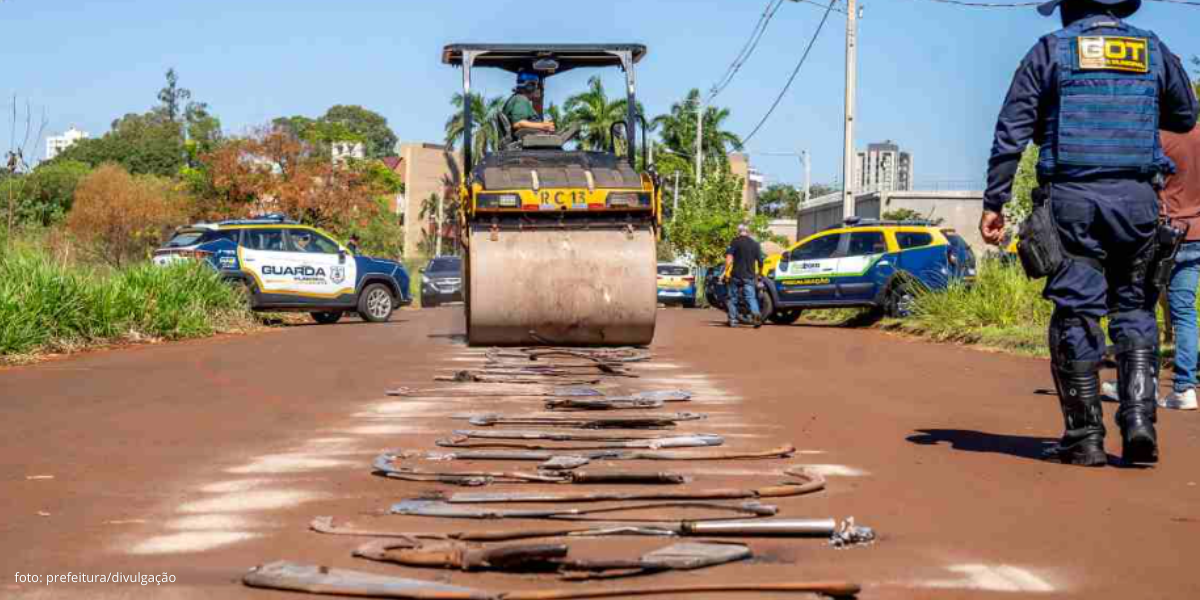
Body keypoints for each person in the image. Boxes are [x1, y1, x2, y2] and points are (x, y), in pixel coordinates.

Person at [979, 0, 1197, 466]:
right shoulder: (1153, 49)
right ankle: (1139, 424)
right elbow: (1184, 115)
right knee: (1135, 307)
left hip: (1073, 201)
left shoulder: (1049, 50)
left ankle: (1085, 437)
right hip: (1137, 201)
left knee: (1076, 312)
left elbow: (1011, 131)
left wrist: (995, 201)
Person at [1158, 127, 1200, 410]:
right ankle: (1185, 388)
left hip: (1162, 233)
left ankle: (1141, 382)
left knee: (1140, 308)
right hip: (1195, 233)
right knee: (1185, 311)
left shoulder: (1157, 137)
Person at [723, 224, 763, 329]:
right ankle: (756, 315)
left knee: (732, 298)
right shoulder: (755, 244)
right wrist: (760, 273)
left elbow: (729, 258)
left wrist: (725, 273)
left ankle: (733, 320)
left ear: (738, 231)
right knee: (751, 297)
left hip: (736, 275)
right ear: (748, 232)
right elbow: (760, 261)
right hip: (749, 275)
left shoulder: (735, 242)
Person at [502, 72, 556, 137]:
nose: (536, 89)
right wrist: (543, 126)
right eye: (536, 86)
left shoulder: (516, 99)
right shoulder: (521, 99)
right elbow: (518, 123)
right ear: (530, 86)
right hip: (528, 139)